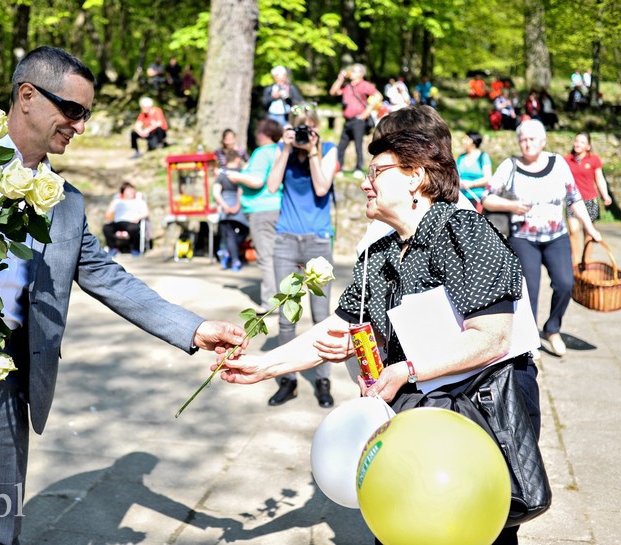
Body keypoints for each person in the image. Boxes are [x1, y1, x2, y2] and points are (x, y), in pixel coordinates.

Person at [0, 46, 246, 545]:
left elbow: (109, 277)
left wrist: (196, 328)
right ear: (27, 96)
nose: (80, 126)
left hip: (9, 387)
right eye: (73, 111)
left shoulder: (67, 201)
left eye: (87, 115)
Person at [217, 105, 542, 545]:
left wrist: (406, 371)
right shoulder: (381, 255)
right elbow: (337, 328)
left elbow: (492, 338)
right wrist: (264, 366)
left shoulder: (463, 232)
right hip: (421, 419)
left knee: (475, 532)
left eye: (378, 171)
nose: (364, 182)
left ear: (416, 176)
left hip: (481, 414)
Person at [482, 119, 601, 357]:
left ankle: (553, 328)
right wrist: (512, 205)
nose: (527, 144)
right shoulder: (510, 165)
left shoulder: (558, 163)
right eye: (523, 139)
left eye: (532, 139)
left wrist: (590, 228)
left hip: (556, 237)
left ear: (543, 140)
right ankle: (528, 338)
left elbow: (574, 198)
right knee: (530, 290)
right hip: (524, 239)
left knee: (565, 283)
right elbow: (487, 199)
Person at [265, 103, 338, 408]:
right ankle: (288, 380)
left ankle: (322, 379)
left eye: (311, 126)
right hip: (286, 240)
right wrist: (284, 149)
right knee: (285, 315)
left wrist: (313, 152)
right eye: (301, 128)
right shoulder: (286, 152)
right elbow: (270, 187)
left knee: (321, 317)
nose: (307, 132)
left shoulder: (329, 149)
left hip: (318, 242)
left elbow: (322, 188)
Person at [225, 119, 284, 314]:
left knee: (265, 257)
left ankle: (270, 303)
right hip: (276, 207)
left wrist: (236, 177)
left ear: (263, 133)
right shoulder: (280, 150)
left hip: (261, 210)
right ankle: (282, 297)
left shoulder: (261, 152)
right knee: (276, 255)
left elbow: (257, 181)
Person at [564, 132, 612, 265]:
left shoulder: (594, 160)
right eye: (576, 141)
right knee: (573, 231)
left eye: (582, 142)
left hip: (590, 200)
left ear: (588, 146)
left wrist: (605, 194)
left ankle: (586, 262)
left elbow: (599, 178)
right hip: (572, 201)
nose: (578, 144)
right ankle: (575, 263)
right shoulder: (567, 160)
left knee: (588, 233)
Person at [329, 63, 381, 179]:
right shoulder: (347, 86)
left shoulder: (365, 85)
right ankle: (339, 168)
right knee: (341, 146)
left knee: (358, 145)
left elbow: (378, 96)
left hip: (359, 120)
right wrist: (340, 79)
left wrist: (367, 112)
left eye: (354, 71)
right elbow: (333, 92)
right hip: (347, 120)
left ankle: (358, 168)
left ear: (361, 74)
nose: (351, 73)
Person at [214, 150, 249, 272]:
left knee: (230, 235)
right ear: (237, 159)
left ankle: (229, 254)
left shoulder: (221, 175)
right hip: (239, 207)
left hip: (226, 208)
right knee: (242, 232)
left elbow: (216, 193)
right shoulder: (241, 173)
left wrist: (224, 206)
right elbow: (242, 190)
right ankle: (234, 259)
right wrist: (237, 205)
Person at [103, 181, 150, 256]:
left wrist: (138, 218)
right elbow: (108, 213)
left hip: (131, 222)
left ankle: (135, 248)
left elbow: (146, 213)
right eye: (128, 190)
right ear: (123, 192)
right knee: (107, 228)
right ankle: (113, 248)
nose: (131, 192)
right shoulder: (116, 201)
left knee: (134, 229)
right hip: (117, 222)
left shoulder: (139, 201)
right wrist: (109, 218)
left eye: (132, 189)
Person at [456, 131, 493, 209]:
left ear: (473, 141)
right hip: (461, 198)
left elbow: (488, 178)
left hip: (478, 198)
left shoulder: (483, 157)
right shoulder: (461, 158)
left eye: (466, 139)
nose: (463, 141)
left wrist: (472, 184)